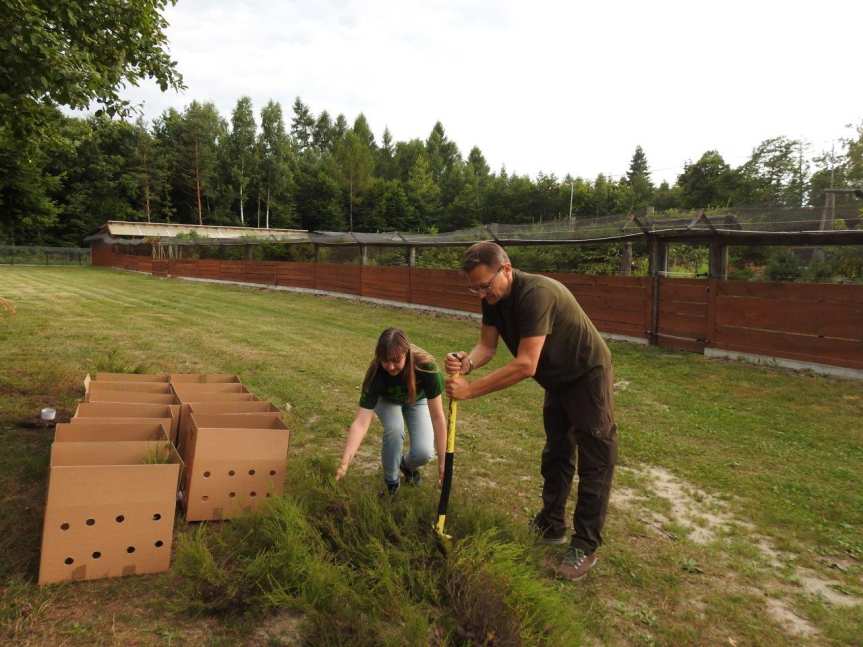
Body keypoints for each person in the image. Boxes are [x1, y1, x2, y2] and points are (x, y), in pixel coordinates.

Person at [445, 241, 617, 581]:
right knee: (556, 453)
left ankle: (585, 545)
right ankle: (552, 523)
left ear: (506, 269)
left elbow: (525, 364)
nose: (481, 294)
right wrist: (467, 363)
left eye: (484, 285)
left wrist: (470, 390)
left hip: (587, 374)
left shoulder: (535, 295)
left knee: (595, 459)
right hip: (556, 380)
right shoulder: (494, 298)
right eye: (474, 288)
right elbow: (486, 346)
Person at [336, 327, 447, 494]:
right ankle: (391, 481)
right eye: (385, 360)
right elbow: (361, 423)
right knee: (395, 429)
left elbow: (438, 418)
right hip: (387, 401)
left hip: (417, 400)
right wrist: (344, 463)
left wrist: (443, 464)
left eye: (396, 360)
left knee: (424, 452)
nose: (390, 366)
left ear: (406, 354)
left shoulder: (427, 368)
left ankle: (405, 465)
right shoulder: (375, 374)